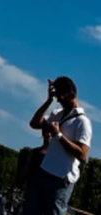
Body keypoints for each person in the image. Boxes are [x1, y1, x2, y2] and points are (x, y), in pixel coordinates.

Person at [23, 76, 93, 215]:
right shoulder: (57, 115)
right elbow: (34, 123)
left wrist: (59, 135)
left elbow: (83, 155)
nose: (58, 100)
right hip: (44, 171)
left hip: (61, 179)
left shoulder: (82, 122)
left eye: (61, 96)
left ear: (71, 95)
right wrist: (48, 101)